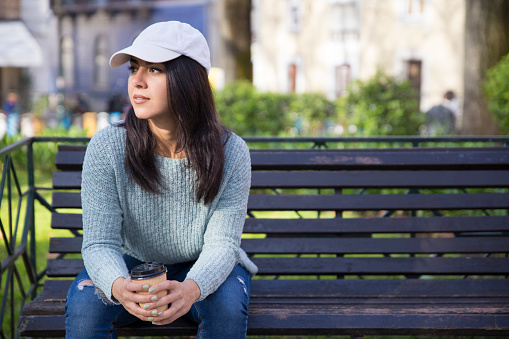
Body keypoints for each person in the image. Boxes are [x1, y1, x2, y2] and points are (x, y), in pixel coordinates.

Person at [64, 21, 257, 339]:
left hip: (202, 261)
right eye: (134, 68)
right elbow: (99, 243)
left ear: (189, 81)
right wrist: (120, 286)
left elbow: (223, 244)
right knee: (86, 314)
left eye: (154, 70)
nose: (137, 81)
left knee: (225, 313)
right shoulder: (108, 146)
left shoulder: (231, 152)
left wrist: (191, 290)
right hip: (130, 264)